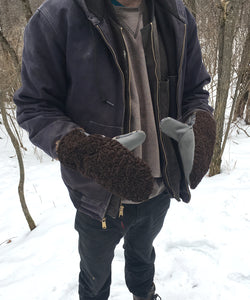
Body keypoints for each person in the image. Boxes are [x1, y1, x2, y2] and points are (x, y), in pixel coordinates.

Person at [14, 0, 216, 299]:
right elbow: (35, 107)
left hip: (161, 186)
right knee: (94, 273)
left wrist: (202, 123)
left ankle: (144, 293)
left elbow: (195, 90)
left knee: (143, 254)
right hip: (97, 194)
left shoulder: (177, 15)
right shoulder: (56, 19)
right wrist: (85, 151)